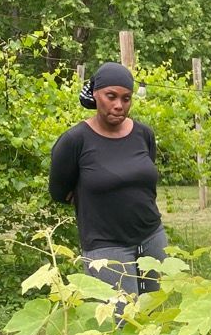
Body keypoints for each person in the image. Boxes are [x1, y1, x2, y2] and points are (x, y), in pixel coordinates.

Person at [49, 61, 167, 297]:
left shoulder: (143, 134)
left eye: (126, 98)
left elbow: (143, 177)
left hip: (152, 238)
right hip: (106, 246)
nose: (118, 105)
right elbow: (59, 192)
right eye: (110, 96)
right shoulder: (75, 141)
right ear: (95, 94)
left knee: (153, 315)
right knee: (121, 323)